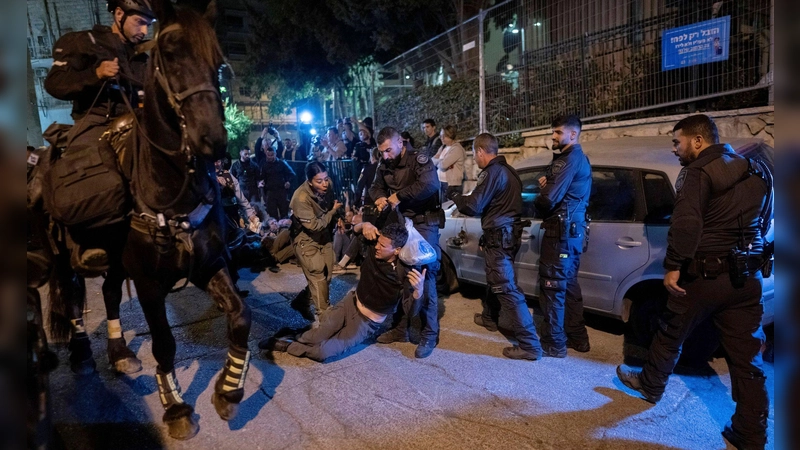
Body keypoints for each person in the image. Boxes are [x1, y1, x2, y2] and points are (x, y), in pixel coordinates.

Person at [616, 115, 772, 449]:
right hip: (747, 279)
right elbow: (764, 220)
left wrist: (673, 266)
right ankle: (751, 433)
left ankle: (650, 385)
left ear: (698, 141)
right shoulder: (758, 170)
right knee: (748, 360)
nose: (675, 149)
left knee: (671, 331)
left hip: (703, 275)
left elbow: (687, 225)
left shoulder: (697, 173)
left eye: (677, 142)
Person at [43, 0, 154, 273]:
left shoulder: (144, 56)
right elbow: (54, 83)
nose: (145, 30)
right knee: (91, 169)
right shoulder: (84, 42)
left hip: (137, 121)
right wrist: (95, 74)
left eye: (149, 25)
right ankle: (88, 241)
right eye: (140, 22)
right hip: (96, 121)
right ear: (119, 14)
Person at [263, 223, 426, 362]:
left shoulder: (405, 272)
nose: (377, 246)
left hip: (365, 323)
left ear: (397, 250)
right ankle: (291, 334)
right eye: (378, 242)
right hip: (350, 303)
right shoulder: (373, 247)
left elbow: (410, 311)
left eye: (383, 246)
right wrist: (363, 225)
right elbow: (353, 231)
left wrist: (418, 292)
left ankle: (286, 345)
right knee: (315, 336)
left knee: (322, 352)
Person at [448, 133, 543, 360]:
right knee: (496, 278)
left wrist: (455, 196)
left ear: (480, 151)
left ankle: (530, 345)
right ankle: (490, 317)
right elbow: (500, 208)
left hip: (500, 238)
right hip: (506, 236)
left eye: (474, 153)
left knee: (506, 287)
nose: (475, 158)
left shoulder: (491, 173)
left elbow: (473, 205)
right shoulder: (511, 172)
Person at [369, 126, 442, 359]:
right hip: (401, 223)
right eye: (382, 152)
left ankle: (429, 334)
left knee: (424, 276)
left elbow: (430, 184)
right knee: (400, 275)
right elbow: (375, 186)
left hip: (423, 224)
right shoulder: (385, 163)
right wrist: (380, 197)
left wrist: (399, 196)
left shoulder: (418, 158)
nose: (386, 156)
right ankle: (401, 329)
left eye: (389, 150)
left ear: (401, 142)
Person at [533, 114, 592, 358]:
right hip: (572, 233)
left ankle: (554, 343)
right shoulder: (578, 158)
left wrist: (543, 190)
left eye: (558, 132)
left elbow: (547, 199)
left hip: (560, 234)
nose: (553, 136)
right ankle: (578, 338)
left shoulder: (567, 160)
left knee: (553, 286)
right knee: (568, 286)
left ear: (572, 134)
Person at [287, 162, 343, 326]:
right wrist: (333, 212)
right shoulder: (301, 197)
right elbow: (314, 225)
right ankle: (325, 318)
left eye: (326, 179)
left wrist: (338, 217)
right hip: (305, 238)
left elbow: (332, 201)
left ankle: (301, 302)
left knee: (327, 277)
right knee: (317, 275)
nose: (324, 184)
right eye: (319, 181)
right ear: (310, 181)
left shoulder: (328, 185)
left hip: (324, 235)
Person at [431, 125, 466, 201]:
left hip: (451, 185)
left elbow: (443, 165)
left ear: (450, 135)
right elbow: (432, 160)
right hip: (441, 182)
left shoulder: (456, 149)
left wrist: (441, 161)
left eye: (444, 136)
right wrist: (442, 160)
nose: (441, 138)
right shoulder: (443, 147)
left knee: (450, 208)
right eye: (440, 136)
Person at [260, 147, 295, 219]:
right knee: (272, 215)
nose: (270, 157)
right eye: (268, 155)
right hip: (270, 193)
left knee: (284, 214)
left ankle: (285, 229)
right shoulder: (264, 165)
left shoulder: (282, 163)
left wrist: (288, 181)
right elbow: (262, 178)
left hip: (281, 191)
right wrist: (261, 183)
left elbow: (292, 174)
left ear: (275, 154)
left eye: (272, 155)